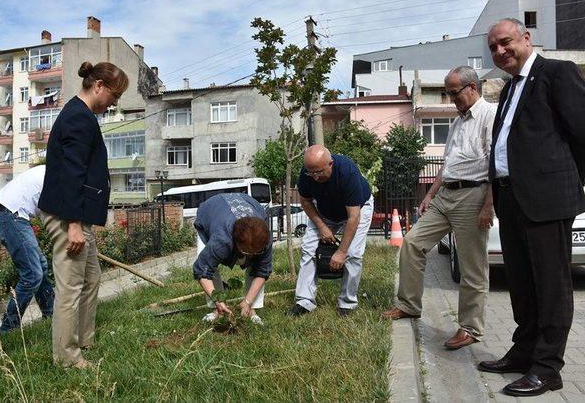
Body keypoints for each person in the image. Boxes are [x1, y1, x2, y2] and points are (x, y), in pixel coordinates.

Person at [477, 18, 585, 397]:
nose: (499, 51)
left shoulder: (557, 73)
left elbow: (582, 132)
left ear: (526, 38)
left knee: (551, 285)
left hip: (548, 198)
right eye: (493, 47)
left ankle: (547, 367)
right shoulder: (508, 89)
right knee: (521, 283)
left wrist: (575, 185)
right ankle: (523, 352)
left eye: (505, 42)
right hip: (511, 197)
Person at [381, 66, 496, 350]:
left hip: (474, 194)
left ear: (472, 87)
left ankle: (470, 328)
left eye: (454, 92)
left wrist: (488, 206)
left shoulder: (490, 116)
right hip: (446, 194)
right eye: (447, 92)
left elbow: (497, 162)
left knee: (472, 268)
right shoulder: (457, 122)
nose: (451, 98)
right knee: (412, 243)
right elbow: (448, 164)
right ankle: (409, 305)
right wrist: (431, 193)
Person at [38, 61, 128, 369]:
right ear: (99, 86)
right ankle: (67, 358)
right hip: (67, 216)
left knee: (91, 278)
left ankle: (84, 340)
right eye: (115, 96)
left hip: (75, 216)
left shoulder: (82, 116)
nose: (115, 103)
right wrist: (74, 225)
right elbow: (71, 174)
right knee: (70, 287)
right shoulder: (78, 117)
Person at [289, 145, 373, 317]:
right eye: (310, 173)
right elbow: (305, 202)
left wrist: (341, 251)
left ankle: (347, 303)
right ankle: (304, 301)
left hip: (358, 208)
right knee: (308, 249)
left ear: (331, 164)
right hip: (325, 212)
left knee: (353, 253)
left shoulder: (347, 172)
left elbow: (353, 217)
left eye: (318, 172)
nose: (315, 177)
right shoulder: (307, 174)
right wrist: (322, 227)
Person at [0, 165, 54, 334]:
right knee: (32, 274)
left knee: (40, 265)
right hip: (9, 215)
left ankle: (51, 314)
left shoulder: (53, 171)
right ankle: (7, 330)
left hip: (11, 215)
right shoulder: (57, 176)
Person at [192, 193, 272, 325]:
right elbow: (202, 270)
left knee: (258, 263)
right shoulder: (221, 239)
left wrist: (247, 301)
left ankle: (250, 309)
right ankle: (217, 309)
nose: (250, 256)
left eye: (255, 252)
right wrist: (218, 300)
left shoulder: (264, 239)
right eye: (247, 252)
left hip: (247, 203)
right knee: (209, 264)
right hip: (211, 212)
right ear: (234, 242)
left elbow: (263, 271)